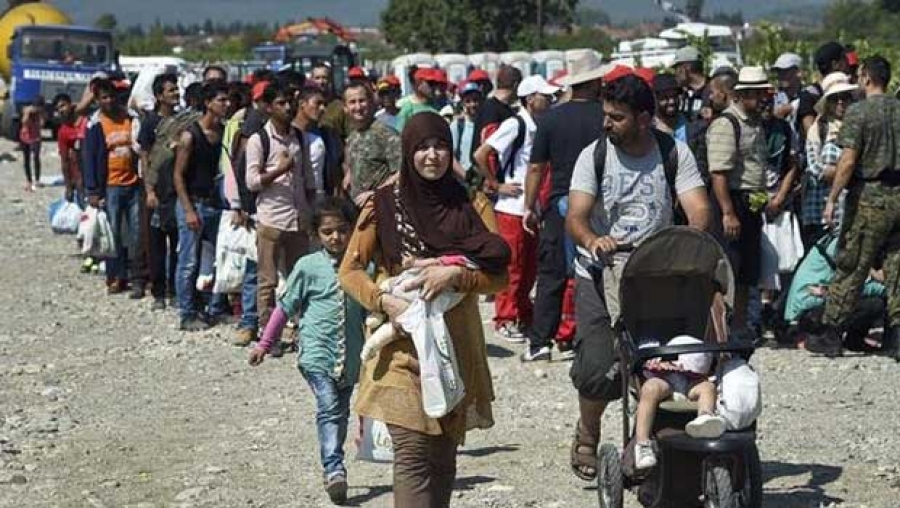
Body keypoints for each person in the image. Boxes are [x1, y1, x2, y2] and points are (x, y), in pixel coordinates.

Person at [338, 112, 510, 508]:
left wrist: (454, 277)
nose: (432, 156)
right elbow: (349, 271)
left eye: (440, 147)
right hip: (401, 347)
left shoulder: (471, 202)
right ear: (407, 151)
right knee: (413, 453)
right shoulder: (383, 204)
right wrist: (385, 300)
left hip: (454, 347)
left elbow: (500, 274)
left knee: (442, 455)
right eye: (422, 148)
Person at [564, 73, 711, 481]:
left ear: (644, 118)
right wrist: (594, 239)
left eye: (617, 117)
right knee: (598, 367)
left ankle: (647, 440)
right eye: (605, 115)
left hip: (657, 275)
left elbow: (697, 208)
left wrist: (691, 234)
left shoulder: (673, 153)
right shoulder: (593, 156)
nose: (606, 124)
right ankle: (589, 432)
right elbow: (575, 217)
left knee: (660, 363)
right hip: (600, 273)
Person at [249, 198, 363, 505]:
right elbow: (285, 308)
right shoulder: (307, 267)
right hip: (316, 354)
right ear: (316, 234)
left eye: (342, 230)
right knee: (329, 408)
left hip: (351, 358)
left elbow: (372, 310)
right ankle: (334, 469)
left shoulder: (361, 266)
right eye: (328, 232)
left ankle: (334, 461)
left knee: (341, 412)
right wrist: (264, 344)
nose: (335, 237)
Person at [812, 55, 900, 361]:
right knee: (896, 265)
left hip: (869, 197)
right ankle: (895, 336)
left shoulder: (859, 112)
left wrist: (833, 197)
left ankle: (832, 334)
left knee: (852, 264)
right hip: (898, 195)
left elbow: (848, 160)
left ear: (867, 78)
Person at [521, 53, 605, 362]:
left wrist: (529, 206)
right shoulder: (606, 117)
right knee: (596, 271)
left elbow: (535, 168)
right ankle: (589, 338)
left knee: (551, 274)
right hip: (598, 203)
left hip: (559, 203)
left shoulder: (550, 119)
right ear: (595, 81)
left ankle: (541, 342)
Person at [474, 75, 559, 342]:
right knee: (513, 265)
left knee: (530, 266)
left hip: (528, 207)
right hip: (511, 207)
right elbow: (481, 153)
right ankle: (505, 318)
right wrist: (496, 185)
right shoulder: (515, 124)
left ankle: (523, 314)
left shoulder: (538, 126)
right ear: (530, 98)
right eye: (545, 96)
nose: (550, 100)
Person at [707, 66, 772, 336]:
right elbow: (719, 172)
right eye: (755, 95)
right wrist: (727, 212)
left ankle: (739, 327)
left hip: (751, 203)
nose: (761, 99)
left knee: (747, 272)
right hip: (733, 201)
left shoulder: (755, 123)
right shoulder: (727, 124)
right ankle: (721, 331)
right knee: (728, 272)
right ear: (741, 95)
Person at [245, 82, 312, 338]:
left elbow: (307, 179)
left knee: (299, 278)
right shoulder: (259, 139)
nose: (288, 107)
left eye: (290, 102)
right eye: (281, 103)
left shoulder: (299, 137)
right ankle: (267, 332)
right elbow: (251, 181)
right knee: (268, 281)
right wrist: (279, 171)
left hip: (298, 218)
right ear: (269, 107)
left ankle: (299, 329)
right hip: (272, 218)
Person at [172, 81, 232, 331]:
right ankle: (187, 312)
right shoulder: (190, 136)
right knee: (188, 261)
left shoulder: (223, 133)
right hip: (194, 202)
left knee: (221, 257)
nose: (226, 104)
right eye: (221, 100)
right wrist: (188, 210)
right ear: (208, 103)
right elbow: (178, 175)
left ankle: (215, 308)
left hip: (215, 204)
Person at [83, 79, 146, 297]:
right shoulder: (95, 124)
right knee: (114, 234)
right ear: (98, 100)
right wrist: (92, 190)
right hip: (110, 186)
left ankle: (138, 278)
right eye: (103, 97)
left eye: (111, 96)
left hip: (133, 184)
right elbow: (89, 158)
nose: (108, 101)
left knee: (137, 233)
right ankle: (115, 276)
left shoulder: (130, 118)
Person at [785, 233, 886, 354]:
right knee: (874, 303)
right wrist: (885, 288)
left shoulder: (836, 239)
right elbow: (853, 287)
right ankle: (830, 340)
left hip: (810, 309)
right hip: (810, 313)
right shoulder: (842, 245)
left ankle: (854, 340)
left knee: (868, 299)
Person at [634, 337, 725, 470]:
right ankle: (642, 443)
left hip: (691, 384)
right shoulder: (658, 354)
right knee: (650, 388)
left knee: (708, 388)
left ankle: (705, 417)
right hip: (665, 381)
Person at [139, 73, 182, 311]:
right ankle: (157, 292)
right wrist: (149, 190)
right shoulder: (150, 123)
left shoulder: (181, 122)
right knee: (156, 245)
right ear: (159, 96)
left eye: (177, 89)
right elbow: (145, 158)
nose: (176, 94)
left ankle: (175, 291)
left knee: (177, 244)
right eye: (171, 90)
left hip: (177, 191)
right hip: (158, 191)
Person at [802, 72, 858, 246]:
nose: (841, 103)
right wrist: (846, 172)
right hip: (819, 210)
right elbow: (815, 168)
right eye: (835, 99)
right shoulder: (818, 129)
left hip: (849, 211)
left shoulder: (858, 127)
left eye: (845, 97)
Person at [343, 82, 402, 206]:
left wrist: (375, 193)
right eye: (352, 102)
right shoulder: (352, 137)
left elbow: (402, 173)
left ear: (371, 103)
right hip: (357, 209)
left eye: (362, 101)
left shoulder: (386, 135)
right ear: (345, 108)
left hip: (380, 208)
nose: (358, 107)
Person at [471, 65, 521, 163]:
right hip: (490, 173)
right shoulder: (491, 109)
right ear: (516, 85)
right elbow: (487, 150)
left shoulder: (494, 107)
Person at [797, 42, 848, 137]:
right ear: (835, 64)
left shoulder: (847, 89)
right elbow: (810, 132)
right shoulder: (810, 94)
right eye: (844, 59)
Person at [293, 85, 329, 201]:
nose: (322, 108)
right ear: (302, 104)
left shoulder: (324, 135)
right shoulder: (288, 136)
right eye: (317, 103)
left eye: (324, 104)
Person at [54, 93, 85, 206]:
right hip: (79, 180)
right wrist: (68, 187)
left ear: (71, 104)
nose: (61, 110)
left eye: (63, 105)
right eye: (58, 109)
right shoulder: (63, 131)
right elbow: (64, 160)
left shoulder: (86, 122)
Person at [395, 68, 442, 132]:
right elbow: (399, 133)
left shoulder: (436, 106)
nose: (434, 87)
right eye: (431, 83)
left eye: (436, 83)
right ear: (419, 84)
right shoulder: (408, 108)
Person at [451, 82, 483, 174]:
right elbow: (451, 156)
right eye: (468, 101)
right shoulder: (457, 125)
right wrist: (465, 176)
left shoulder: (485, 123)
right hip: (462, 179)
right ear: (462, 103)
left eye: (475, 100)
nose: (472, 104)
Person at [670, 46, 709, 122]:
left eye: (676, 68)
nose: (675, 73)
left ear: (686, 68)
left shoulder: (713, 92)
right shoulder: (682, 94)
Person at [20, 95, 45, 191]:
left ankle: (37, 180)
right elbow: (24, 122)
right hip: (25, 137)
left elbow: (42, 124)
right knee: (26, 159)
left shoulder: (41, 112)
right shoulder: (27, 110)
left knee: (36, 157)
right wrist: (27, 113)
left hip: (36, 137)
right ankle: (28, 180)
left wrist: (40, 114)